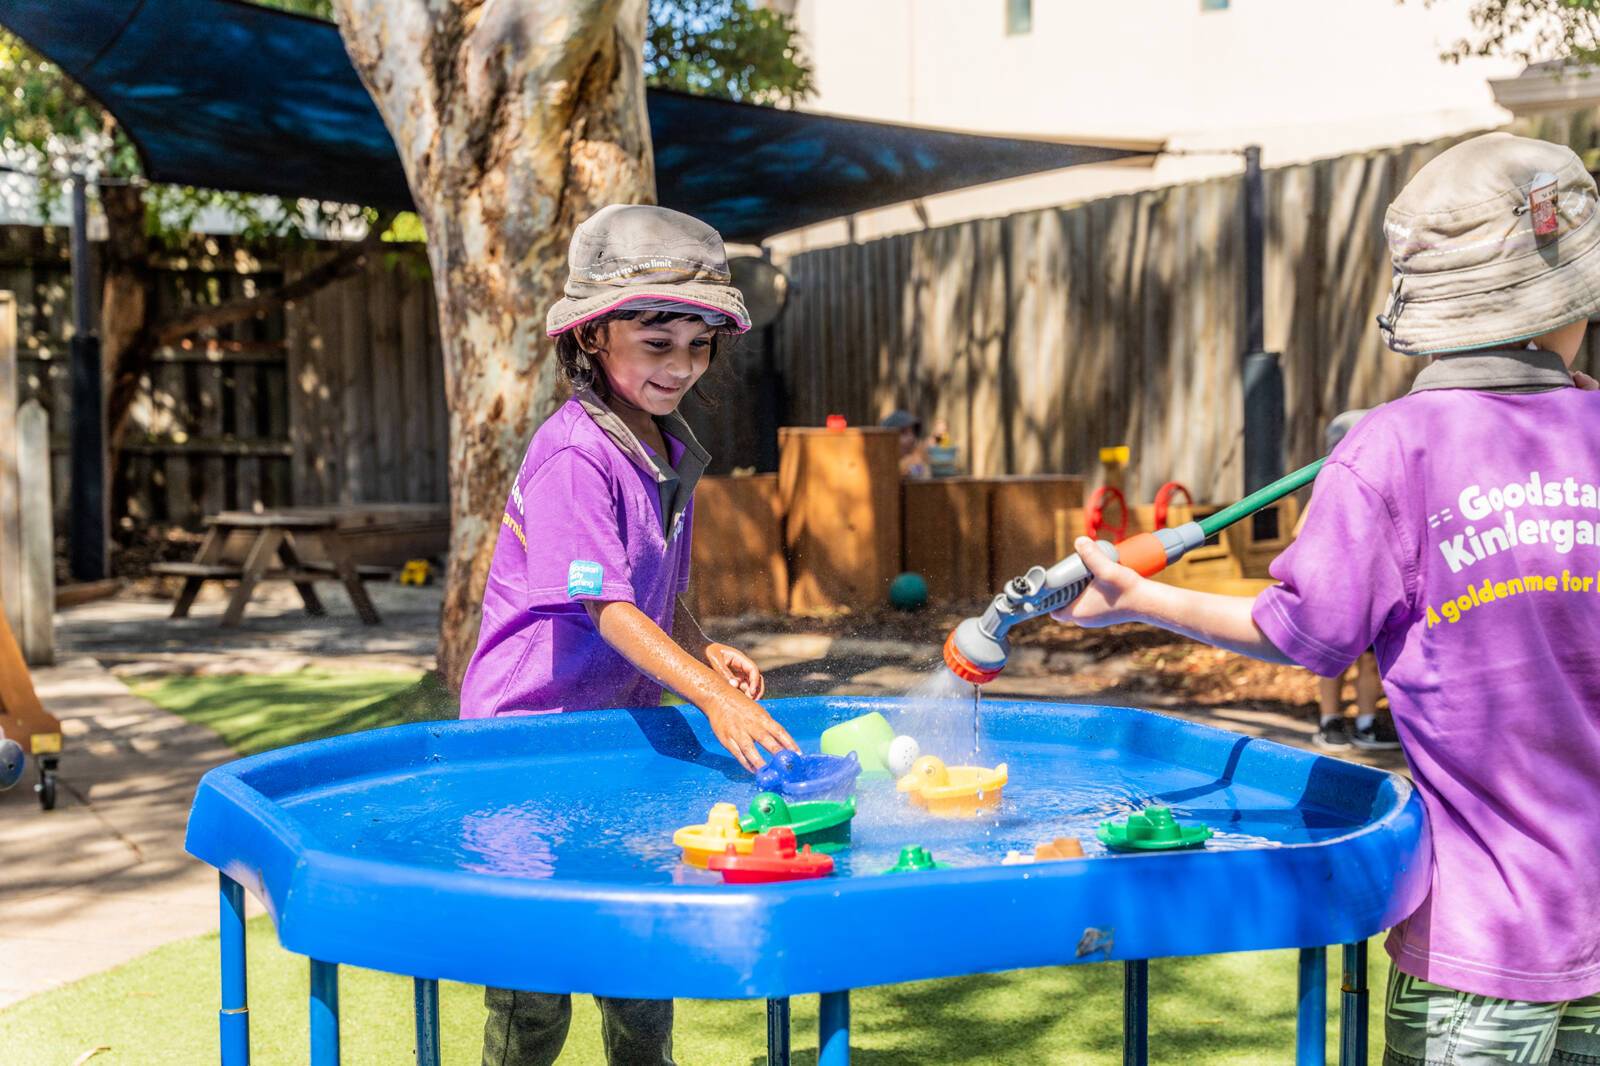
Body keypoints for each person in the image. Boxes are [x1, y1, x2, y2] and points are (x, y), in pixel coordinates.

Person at [1054, 133, 1600, 1065]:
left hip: (1480, 946)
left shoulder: (1391, 449)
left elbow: (1300, 634)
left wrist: (1139, 596)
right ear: (1567, 304)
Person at [460, 204, 800, 1066]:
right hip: (526, 742)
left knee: (641, 960)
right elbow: (603, 609)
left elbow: (654, 587)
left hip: (616, 732)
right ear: (594, 339)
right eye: (657, 343)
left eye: (697, 345)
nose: (680, 366)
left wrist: (702, 643)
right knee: (535, 993)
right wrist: (711, 694)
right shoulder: (576, 453)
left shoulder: (663, 445)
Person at [1303, 410, 1399, 752]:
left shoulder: (1379, 483)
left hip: (1373, 584)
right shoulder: (1331, 483)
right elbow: (1305, 533)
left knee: (1371, 659)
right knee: (1335, 655)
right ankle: (1330, 720)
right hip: (1337, 584)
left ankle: (1366, 722)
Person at [881, 409, 931, 477]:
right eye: (903, 432)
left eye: (913, 432)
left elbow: (921, 471)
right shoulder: (879, 467)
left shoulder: (913, 462)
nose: (912, 438)